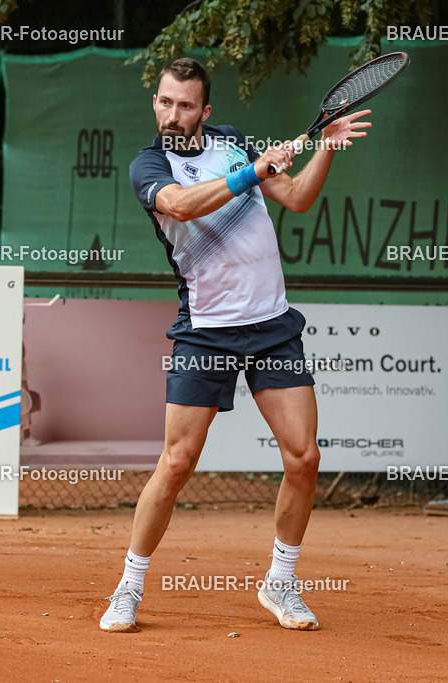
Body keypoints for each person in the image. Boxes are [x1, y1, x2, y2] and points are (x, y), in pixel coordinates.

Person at [99, 57, 370, 632]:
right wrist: (251, 172)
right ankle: (128, 587)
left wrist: (326, 147)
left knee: (304, 458)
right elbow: (180, 205)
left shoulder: (233, 143)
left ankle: (280, 582)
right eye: (165, 102)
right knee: (177, 462)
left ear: (206, 110)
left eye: (185, 105)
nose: (173, 114)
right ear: (155, 103)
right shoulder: (149, 164)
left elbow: (296, 198)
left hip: (272, 326)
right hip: (206, 329)